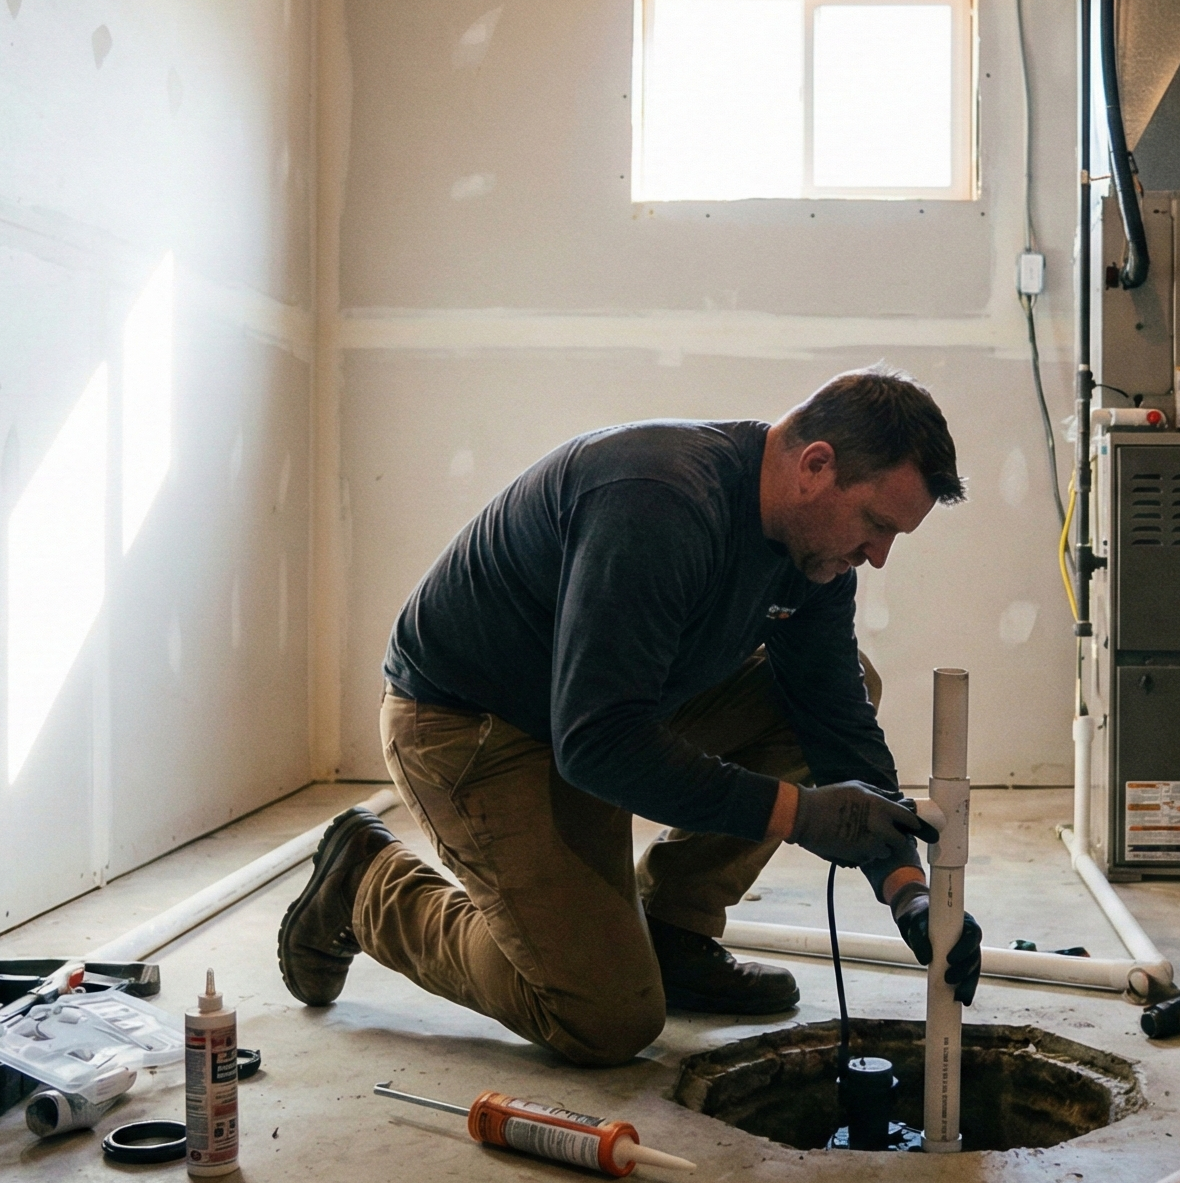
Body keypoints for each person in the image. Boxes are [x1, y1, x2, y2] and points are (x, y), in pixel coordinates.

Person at [275, 366, 985, 1067]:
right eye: (876, 523)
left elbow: (834, 717)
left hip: (594, 713)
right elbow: (600, 743)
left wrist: (908, 895)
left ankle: (675, 932)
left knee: (839, 683)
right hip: (474, 725)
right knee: (603, 1015)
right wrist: (800, 814)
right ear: (816, 466)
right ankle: (366, 885)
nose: (879, 556)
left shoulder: (813, 556)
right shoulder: (659, 501)